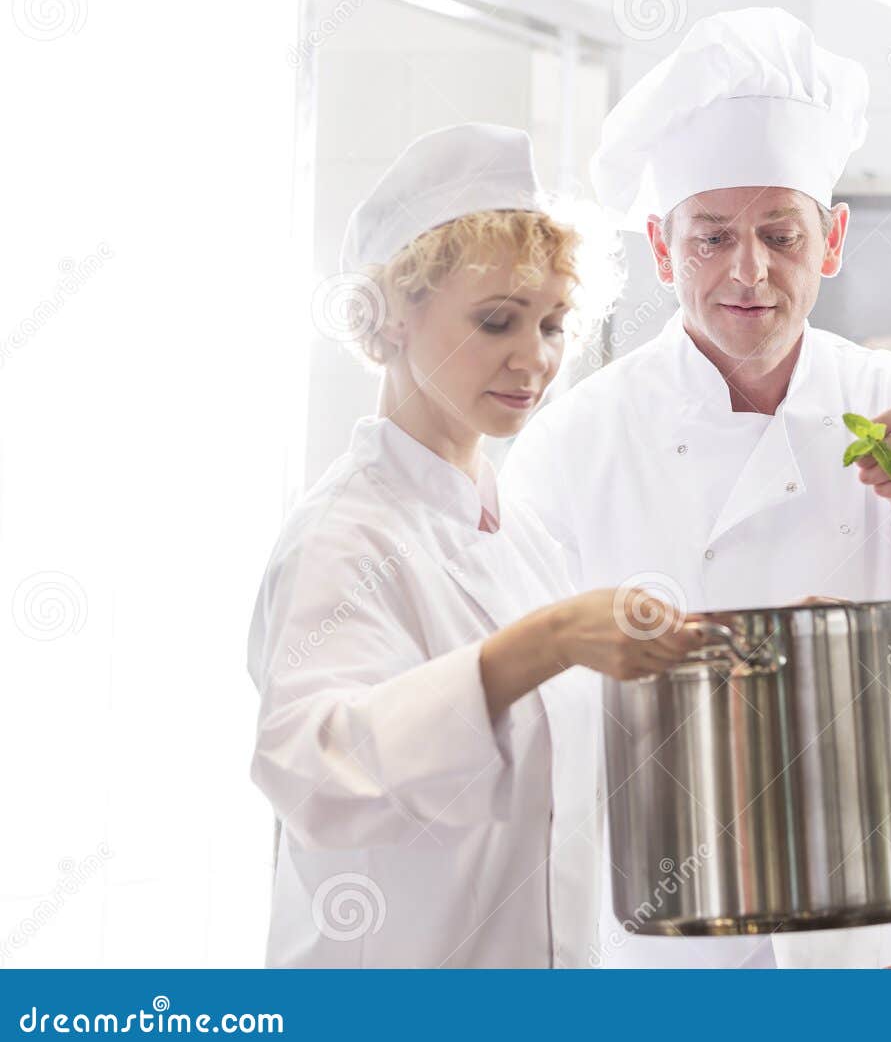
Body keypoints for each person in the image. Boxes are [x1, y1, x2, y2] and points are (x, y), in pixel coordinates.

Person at [502, 9, 891, 967]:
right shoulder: (573, 441)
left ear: (831, 240)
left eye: (780, 234)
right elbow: (519, 694)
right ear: (663, 249)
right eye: (712, 237)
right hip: (666, 929)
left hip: (872, 918)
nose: (749, 270)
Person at [247, 123, 703, 967]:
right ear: (386, 322)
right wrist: (542, 641)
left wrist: (732, 651)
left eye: (554, 323)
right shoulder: (344, 537)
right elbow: (315, 772)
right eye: (497, 321)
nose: (535, 358)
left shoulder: (517, 531)